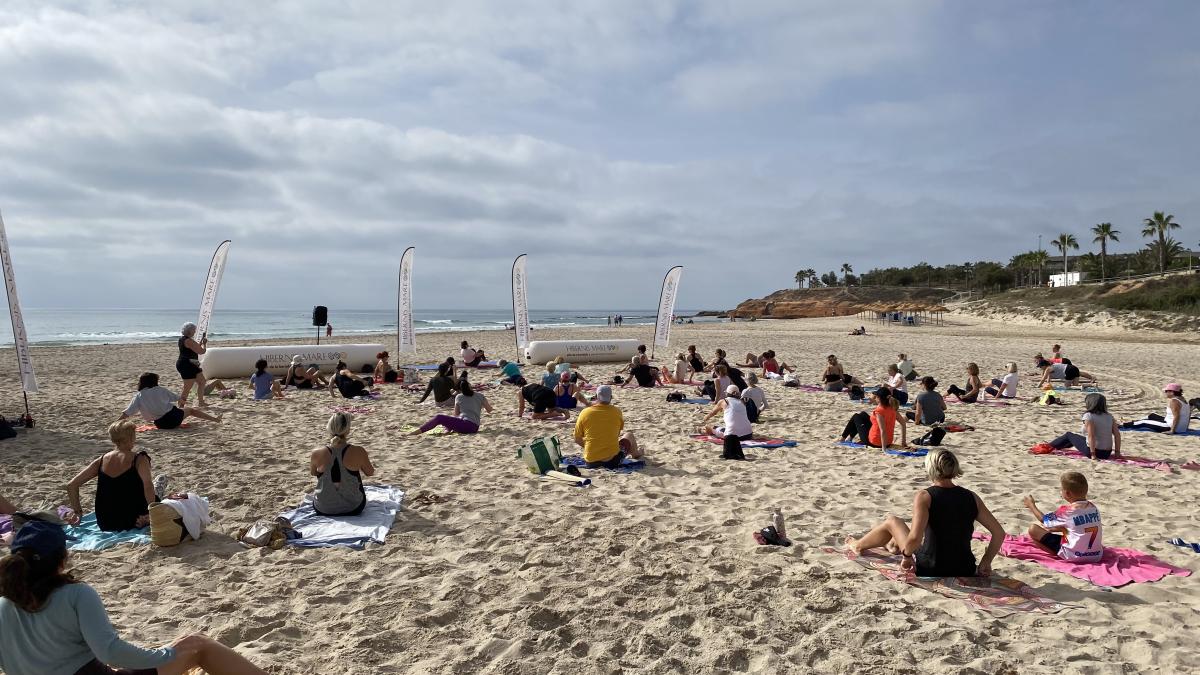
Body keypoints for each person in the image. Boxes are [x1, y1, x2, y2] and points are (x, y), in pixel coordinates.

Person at [0, 520, 269, 675]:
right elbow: (110, 652)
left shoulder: (4, 604)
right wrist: (165, 655)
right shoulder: (75, 594)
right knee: (197, 645)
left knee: (168, 651)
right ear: (62, 559)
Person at [845, 450, 1006, 577]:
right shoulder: (972, 497)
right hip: (965, 568)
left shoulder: (925, 496)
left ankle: (857, 545)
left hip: (931, 567)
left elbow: (915, 538)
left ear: (931, 468)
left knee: (892, 521)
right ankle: (892, 545)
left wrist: (907, 557)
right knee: (902, 537)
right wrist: (986, 561)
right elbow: (999, 533)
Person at [65, 420, 156, 532]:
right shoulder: (139, 459)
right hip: (135, 518)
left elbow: (71, 485)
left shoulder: (101, 460)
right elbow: (148, 486)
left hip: (106, 522)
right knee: (159, 486)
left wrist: (78, 512)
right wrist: (152, 513)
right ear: (132, 438)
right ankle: (147, 518)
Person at [1023, 471, 1103, 562]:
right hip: (1096, 555)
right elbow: (1079, 526)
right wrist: (1057, 529)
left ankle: (1059, 554)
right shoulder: (1093, 508)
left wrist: (1031, 505)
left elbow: (1043, 519)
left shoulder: (1067, 511)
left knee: (1033, 529)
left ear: (1067, 493)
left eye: (1062, 489)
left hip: (1075, 556)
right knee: (1053, 530)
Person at [310, 412, 374, 516]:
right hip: (353, 507)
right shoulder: (358, 451)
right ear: (347, 430)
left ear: (329, 428)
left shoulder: (316, 453)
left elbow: (313, 473)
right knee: (354, 475)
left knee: (326, 476)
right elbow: (370, 472)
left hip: (323, 508)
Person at [120, 372, 220, 429]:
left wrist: (116, 423)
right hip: (174, 418)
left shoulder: (139, 396)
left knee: (178, 411)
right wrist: (183, 403)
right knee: (191, 410)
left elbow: (127, 413)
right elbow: (179, 399)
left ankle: (215, 419)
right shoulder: (161, 390)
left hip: (160, 424)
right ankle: (215, 419)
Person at [573, 385, 641, 468]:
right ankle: (636, 454)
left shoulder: (585, 412)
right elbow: (616, 434)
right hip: (612, 461)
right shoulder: (617, 412)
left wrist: (592, 447)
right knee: (629, 435)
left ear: (596, 397)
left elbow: (577, 439)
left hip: (591, 462)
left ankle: (636, 453)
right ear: (611, 397)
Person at [1043, 393, 1121, 460]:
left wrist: (1093, 454)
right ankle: (1055, 446)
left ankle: (1048, 446)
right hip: (1106, 453)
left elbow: (1091, 435)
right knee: (1074, 438)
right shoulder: (1109, 416)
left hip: (1095, 452)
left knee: (1069, 435)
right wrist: (1117, 452)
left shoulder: (1089, 416)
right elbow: (1117, 435)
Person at [410, 375, 493, 435]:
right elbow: (489, 410)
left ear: (460, 389)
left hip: (466, 426)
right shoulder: (480, 395)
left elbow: (456, 414)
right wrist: (480, 406)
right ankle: (449, 430)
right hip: (475, 428)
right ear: (470, 386)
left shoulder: (459, 397)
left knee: (439, 417)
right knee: (451, 421)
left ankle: (416, 432)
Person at [838, 386, 906, 448]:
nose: (875, 398)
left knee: (856, 416)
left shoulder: (879, 411)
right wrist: (903, 442)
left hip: (874, 442)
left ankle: (842, 439)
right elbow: (903, 423)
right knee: (863, 414)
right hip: (888, 442)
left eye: (876, 397)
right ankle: (850, 438)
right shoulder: (893, 408)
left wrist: (884, 448)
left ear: (879, 398)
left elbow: (883, 430)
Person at [700, 384, 752, 460]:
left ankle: (705, 429)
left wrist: (705, 418)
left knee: (709, 427)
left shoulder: (724, 401)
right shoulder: (742, 402)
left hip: (733, 436)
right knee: (729, 425)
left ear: (728, 393)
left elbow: (712, 413)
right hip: (748, 434)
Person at [1121, 383, 1192, 433]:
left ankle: (1123, 425)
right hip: (1179, 427)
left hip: (1169, 426)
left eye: (1166, 391)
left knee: (1143, 422)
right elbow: (1187, 416)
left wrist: (1172, 431)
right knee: (1151, 416)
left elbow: (1176, 416)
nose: (1165, 393)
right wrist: (1185, 428)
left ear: (1172, 392)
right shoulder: (1183, 399)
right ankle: (1134, 422)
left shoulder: (1174, 401)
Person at [175, 322, 210, 408]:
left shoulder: (182, 339)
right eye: (194, 330)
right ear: (189, 331)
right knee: (187, 388)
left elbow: (194, 348)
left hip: (190, 364)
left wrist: (201, 342)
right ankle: (180, 406)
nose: (195, 331)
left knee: (202, 382)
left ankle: (201, 402)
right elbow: (201, 351)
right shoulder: (189, 341)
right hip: (187, 365)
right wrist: (205, 344)